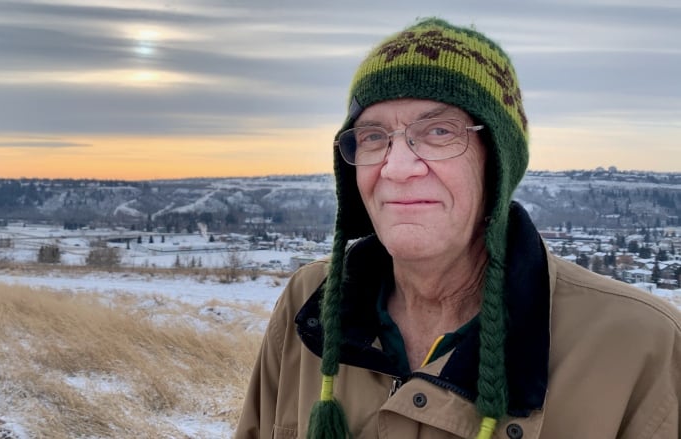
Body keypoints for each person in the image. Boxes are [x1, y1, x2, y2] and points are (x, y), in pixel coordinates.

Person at [235, 17, 681, 439]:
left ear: (497, 161)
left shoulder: (639, 345)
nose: (398, 167)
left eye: (440, 132)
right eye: (373, 136)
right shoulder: (311, 303)